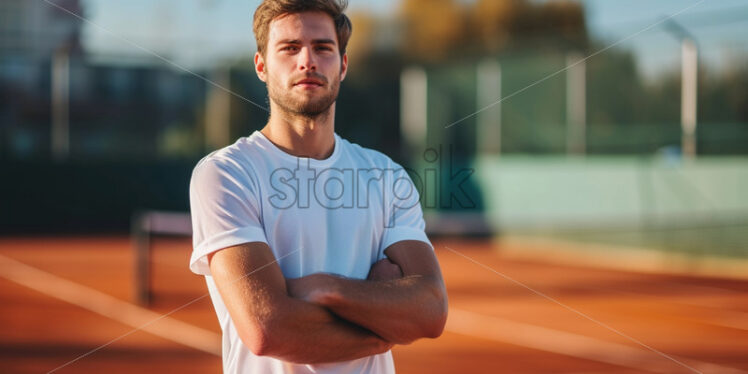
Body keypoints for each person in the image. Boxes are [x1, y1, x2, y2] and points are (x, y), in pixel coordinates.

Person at [188, 0, 448, 373]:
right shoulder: (227, 174)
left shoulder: (386, 176)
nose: (307, 60)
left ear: (342, 65)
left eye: (323, 48)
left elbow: (432, 308)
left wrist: (325, 287)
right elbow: (268, 328)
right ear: (261, 65)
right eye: (290, 48)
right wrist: (382, 328)